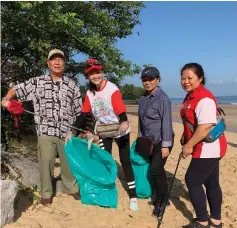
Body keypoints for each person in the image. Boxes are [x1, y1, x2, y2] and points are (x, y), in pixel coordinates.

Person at [2, 49, 82, 206]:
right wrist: (6, 99)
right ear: (48, 63)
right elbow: (16, 89)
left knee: (68, 163)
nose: (57, 62)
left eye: (60, 59)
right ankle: (46, 192)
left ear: (64, 63)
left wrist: (76, 130)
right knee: (46, 161)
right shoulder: (37, 82)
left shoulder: (72, 85)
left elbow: (80, 111)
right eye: (54, 59)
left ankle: (71, 188)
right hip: (45, 130)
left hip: (67, 132)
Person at [67, 58, 139, 211]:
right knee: (105, 160)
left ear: (102, 72)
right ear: (88, 76)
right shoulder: (89, 93)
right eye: (91, 73)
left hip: (120, 129)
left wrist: (125, 122)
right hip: (104, 131)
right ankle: (107, 189)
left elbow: (120, 110)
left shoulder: (112, 89)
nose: (95, 76)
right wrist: (72, 131)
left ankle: (133, 197)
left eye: (97, 72)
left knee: (125, 161)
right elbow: (84, 113)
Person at [180, 63, 227, 228]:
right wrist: (184, 136)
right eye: (183, 78)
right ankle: (215, 220)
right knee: (211, 182)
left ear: (200, 78)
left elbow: (205, 126)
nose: (185, 81)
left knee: (192, 181)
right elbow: (191, 121)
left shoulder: (204, 98)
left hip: (209, 147)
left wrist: (188, 145)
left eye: (190, 78)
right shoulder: (190, 96)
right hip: (207, 146)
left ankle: (202, 221)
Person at [137, 67, 174, 217]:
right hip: (148, 142)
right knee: (156, 171)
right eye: (144, 80)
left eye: (151, 79)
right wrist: (140, 139)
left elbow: (166, 123)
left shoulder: (163, 98)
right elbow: (141, 121)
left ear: (158, 79)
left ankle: (161, 202)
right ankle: (163, 197)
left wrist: (165, 146)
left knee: (156, 170)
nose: (147, 82)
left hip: (162, 141)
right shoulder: (143, 98)